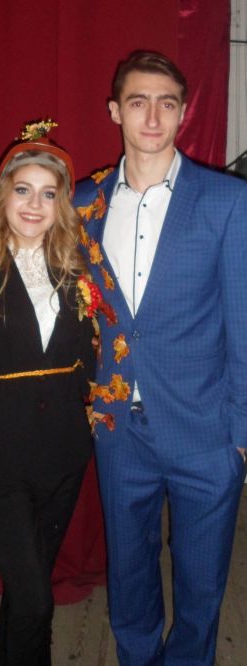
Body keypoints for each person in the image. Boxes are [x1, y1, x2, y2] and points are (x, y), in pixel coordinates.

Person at [74, 50, 247, 665]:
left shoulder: (227, 201)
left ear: (182, 113)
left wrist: (241, 434)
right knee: (129, 574)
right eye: (139, 102)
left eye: (167, 103)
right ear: (115, 110)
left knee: (202, 583)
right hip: (120, 429)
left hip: (205, 432)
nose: (153, 116)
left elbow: (243, 322)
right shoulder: (83, 202)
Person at [0, 121, 96, 665]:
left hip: (63, 457)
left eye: (48, 194)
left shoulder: (74, 268)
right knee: (35, 601)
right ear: (2, 194)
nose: (34, 204)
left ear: (61, 204)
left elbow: (89, 360)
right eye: (23, 189)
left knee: (26, 593)